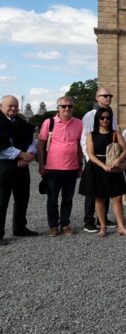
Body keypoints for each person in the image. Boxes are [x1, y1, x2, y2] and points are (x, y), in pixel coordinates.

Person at [79, 107, 126, 237]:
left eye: (108, 118)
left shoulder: (116, 133)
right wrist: (103, 165)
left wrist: (117, 161)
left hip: (114, 167)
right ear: (97, 119)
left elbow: (124, 150)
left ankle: (121, 226)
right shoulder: (92, 135)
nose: (105, 120)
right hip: (97, 167)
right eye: (102, 117)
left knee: (117, 198)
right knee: (99, 198)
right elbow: (90, 155)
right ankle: (102, 226)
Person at [37, 96, 83, 237]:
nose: (67, 108)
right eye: (64, 106)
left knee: (68, 198)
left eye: (70, 106)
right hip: (53, 168)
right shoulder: (49, 122)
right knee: (52, 199)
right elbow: (41, 144)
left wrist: (80, 165)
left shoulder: (79, 123)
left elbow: (79, 145)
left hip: (72, 167)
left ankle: (65, 224)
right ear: (58, 108)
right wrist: (41, 165)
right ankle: (53, 226)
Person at [0, 95, 37, 245]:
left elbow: (32, 142)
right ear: (1, 106)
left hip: (22, 165)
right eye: (10, 106)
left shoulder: (22, 123)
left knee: (22, 197)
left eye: (15, 106)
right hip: (3, 165)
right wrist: (21, 154)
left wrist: (29, 155)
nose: (14, 109)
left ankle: (20, 227)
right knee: (2, 200)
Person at [80, 87, 118, 232]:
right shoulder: (90, 115)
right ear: (97, 97)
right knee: (92, 190)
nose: (108, 98)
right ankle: (88, 220)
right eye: (105, 96)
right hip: (94, 158)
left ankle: (102, 218)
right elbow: (85, 137)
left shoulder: (110, 115)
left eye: (110, 95)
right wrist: (89, 157)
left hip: (108, 157)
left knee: (105, 189)